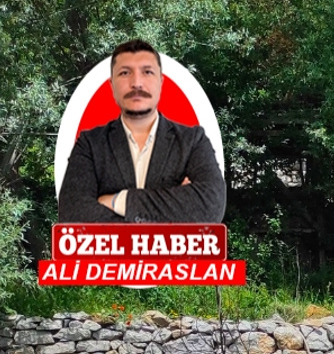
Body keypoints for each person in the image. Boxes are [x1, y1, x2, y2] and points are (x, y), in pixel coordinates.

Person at [57, 39, 226, 223]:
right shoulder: (90, 144)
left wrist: (119, 201)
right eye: (125, 73)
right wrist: (175, 208)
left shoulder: (192, 141)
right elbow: (73, 213)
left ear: (161, 82)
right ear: (112, 85)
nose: (136, 83)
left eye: (147, 72)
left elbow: (211, 205)